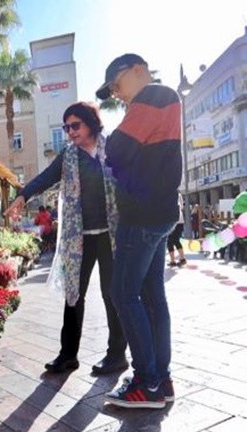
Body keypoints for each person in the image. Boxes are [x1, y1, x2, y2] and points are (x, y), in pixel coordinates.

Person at [4, 102, 127, 375]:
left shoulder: (113, 148)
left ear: (91, 123)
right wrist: (22, 197)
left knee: (113, 295)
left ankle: (117, 354)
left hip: (112, 236)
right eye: (66, 127)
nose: (70, 132)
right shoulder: (69, 156)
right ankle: (67, 354)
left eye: (75, 126)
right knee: (74, 295)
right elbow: (46, 177)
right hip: (78, 239)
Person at [97, 54, 182, 409]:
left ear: (136, 70)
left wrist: (116, 145)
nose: (116, 94)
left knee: (123, 293)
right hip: (158, 212)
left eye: (117, 85)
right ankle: (159, 379)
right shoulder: (164, 99)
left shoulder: (153, 96)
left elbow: (115, 150)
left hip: (143, 215)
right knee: (151, 296)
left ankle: (147, 382)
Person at [167, 193, 187, 267]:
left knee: (170, 241)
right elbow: (181, 207)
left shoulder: (169, 193)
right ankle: (181, 259)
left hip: (172, 221)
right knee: (175, 240)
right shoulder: (179, 194)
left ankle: (175, 260)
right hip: (180, 220)